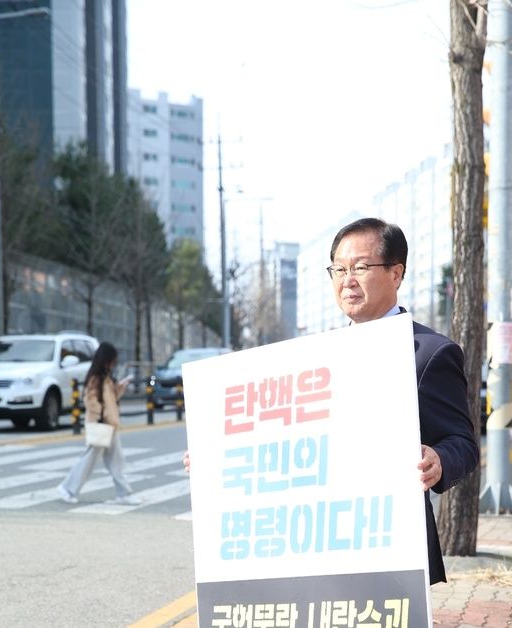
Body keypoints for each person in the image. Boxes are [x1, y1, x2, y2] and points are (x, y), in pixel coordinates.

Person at [183, 217, 479, 585]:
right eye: (338, 269)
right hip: (318, 549)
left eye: (360, 267)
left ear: (396, 273)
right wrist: (219, 459)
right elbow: (284, 442)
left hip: (387, 547)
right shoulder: (317, 357)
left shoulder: (430, 353)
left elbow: (463, 444)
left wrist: (439, 460)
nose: (347, 280)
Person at [58, 341, 141, 506]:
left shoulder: (105, 377)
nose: (113, 364)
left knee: (116, 461)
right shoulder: (96, 378)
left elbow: (110, 399)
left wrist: (119, 388)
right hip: (101, 425)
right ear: (106, 360)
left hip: (109, 424)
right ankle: (67, 488)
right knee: (89, 461)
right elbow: (90, 399)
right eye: (112, 360)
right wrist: (101, 415)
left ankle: (124, 493)